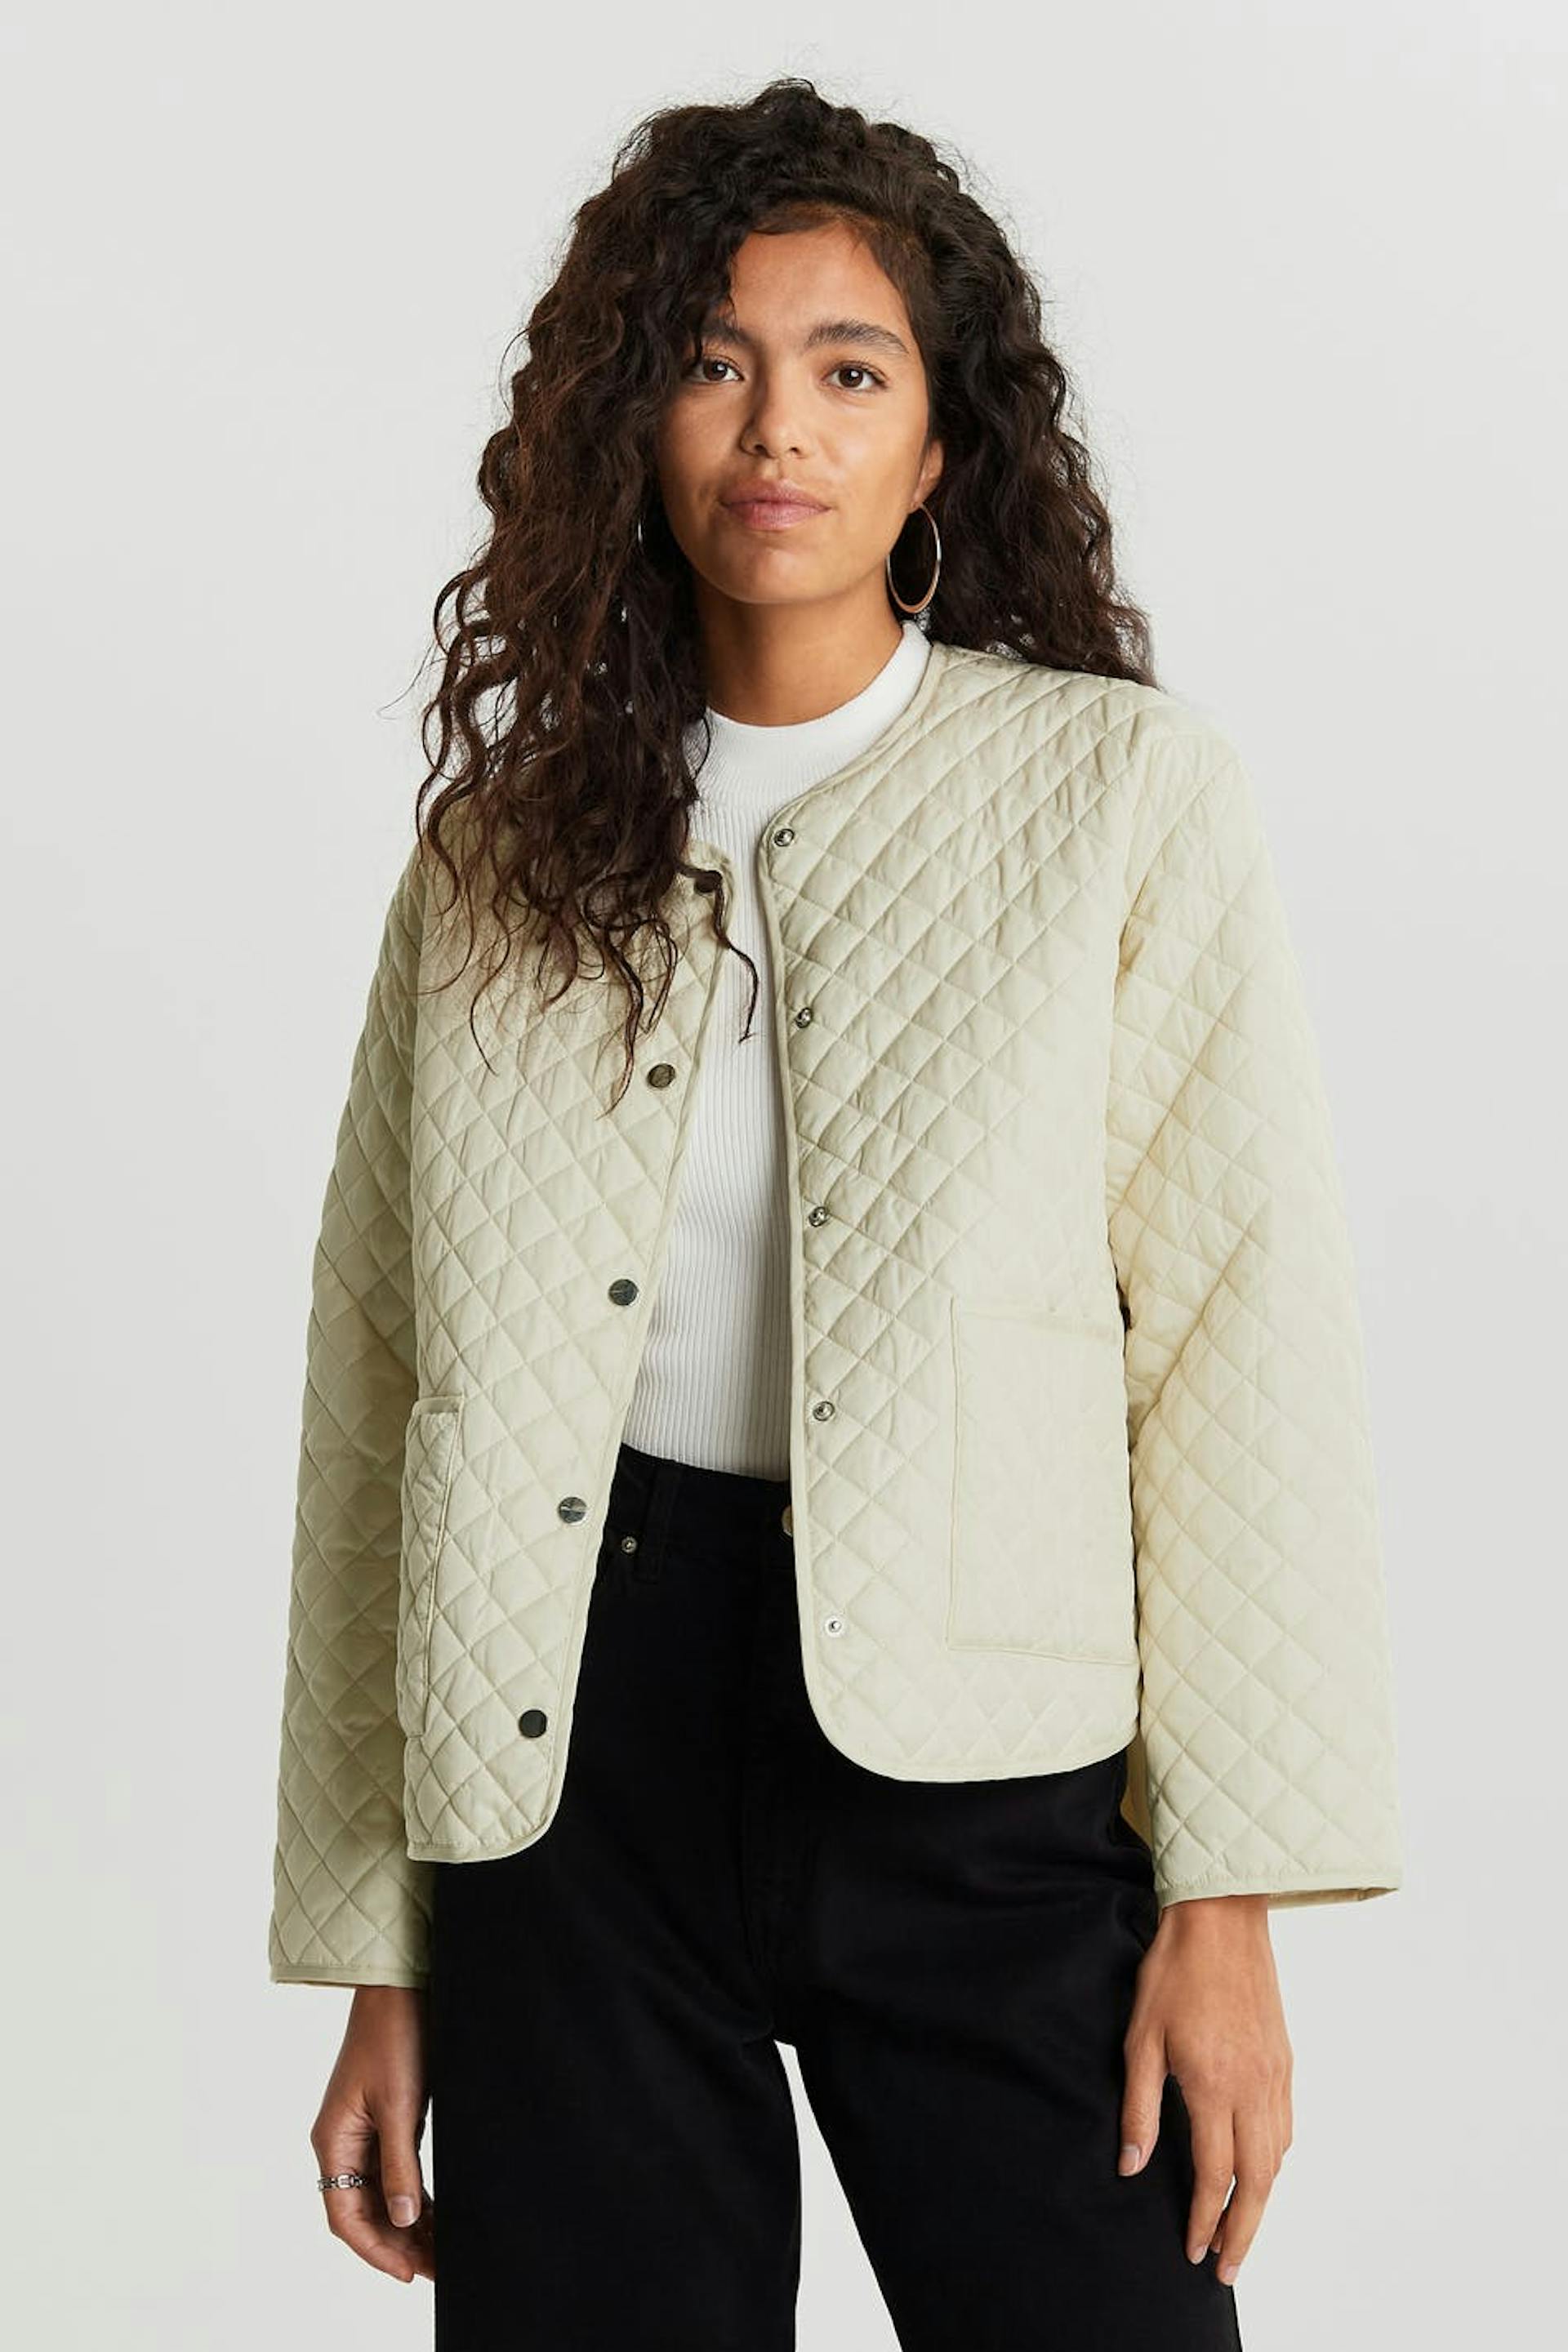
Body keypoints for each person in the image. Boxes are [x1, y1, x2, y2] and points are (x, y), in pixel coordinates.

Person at [267, 75, 1404, 2351]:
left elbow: (1236, 1341)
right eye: (712, 362)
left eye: (850, 370)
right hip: (564, 1769)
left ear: (940, 444)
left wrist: (1231, 1903)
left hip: (983, 1766)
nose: (777, 427)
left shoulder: (1116, 798)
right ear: (629, 420)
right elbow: (382, 1390)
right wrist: (385, 1948)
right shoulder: (496, 859)